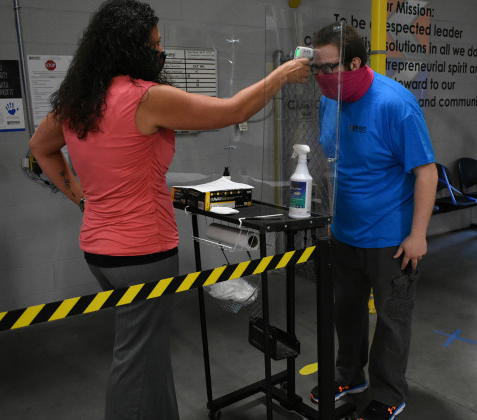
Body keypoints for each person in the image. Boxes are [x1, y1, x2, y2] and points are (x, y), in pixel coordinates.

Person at [28, 1, 309, 419]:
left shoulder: (79, 99)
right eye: (154, 45)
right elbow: (233, 110)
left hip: (100, 250)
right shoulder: (145, 98)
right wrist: (281, 75)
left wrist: (82, 199)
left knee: (149, 351)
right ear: (129, 49)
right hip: (142, 253)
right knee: (137, 359)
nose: (160, 53)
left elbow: (40, 148)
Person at [309, 23, 438, 420]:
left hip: (390, 239)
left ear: (356, 63)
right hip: (345, 233)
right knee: (344, 312)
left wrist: (418, 235)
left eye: (330, 68)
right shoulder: (329, 100)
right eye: (316, 67)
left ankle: (388, 392)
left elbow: (426, 173)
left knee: (391, 319)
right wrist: (335, 220)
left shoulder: (395, 105)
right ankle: (351, 375)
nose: (322, 77)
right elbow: (342, 164)